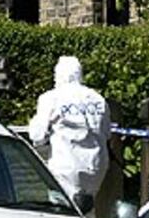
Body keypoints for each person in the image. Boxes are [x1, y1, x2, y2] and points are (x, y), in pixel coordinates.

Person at [28, 56, 111, 202]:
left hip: (65, 166)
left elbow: (37, 136)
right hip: (96, 166)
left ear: (59, 74)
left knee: (64, 212)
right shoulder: (97, 98)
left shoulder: (51, 98)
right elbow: (106, 133)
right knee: (88, 212)